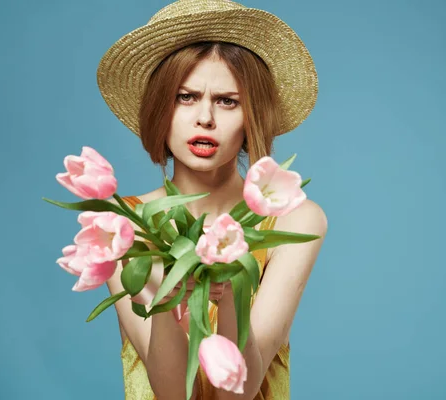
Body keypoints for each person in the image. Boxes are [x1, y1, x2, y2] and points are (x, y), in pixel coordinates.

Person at [97, 0, 328, 399]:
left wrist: (233, 282)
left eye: (227, 101)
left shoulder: (294, 221)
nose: (205, 117)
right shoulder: (121, 225)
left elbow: (236, 394)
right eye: (185, 97)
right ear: (159, 109)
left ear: (251, 116)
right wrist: (169, 301)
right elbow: (172, 394)